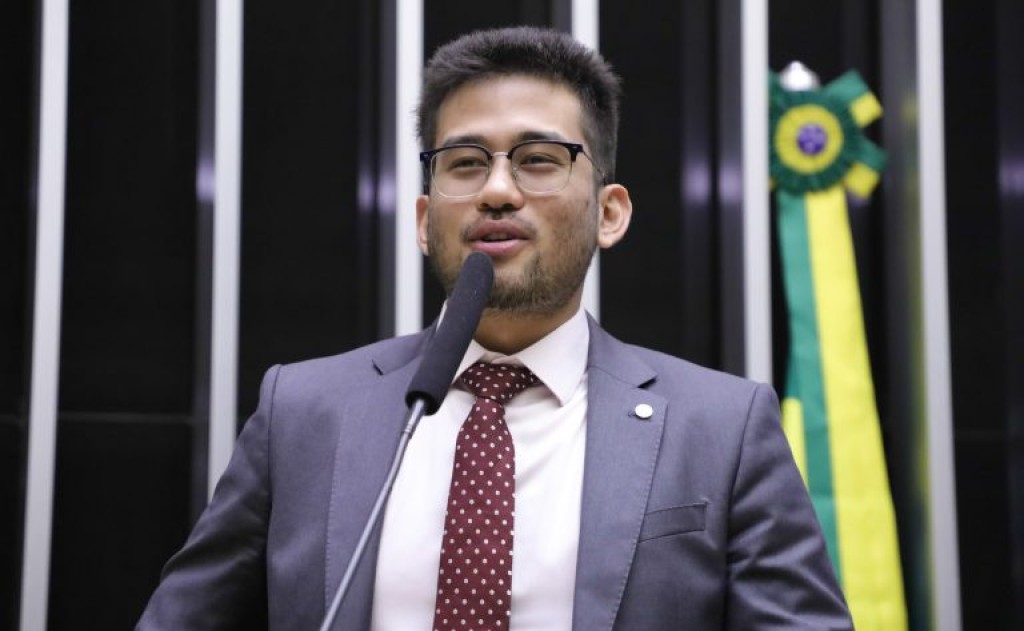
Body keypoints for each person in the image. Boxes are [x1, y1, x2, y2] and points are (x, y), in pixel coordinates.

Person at [137, 26, 852, 630]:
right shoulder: (304, 412)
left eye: (539, 160)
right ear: (425, 219)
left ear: (610, 213)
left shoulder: (723, 430)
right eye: (465, 163)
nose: (499, 190)